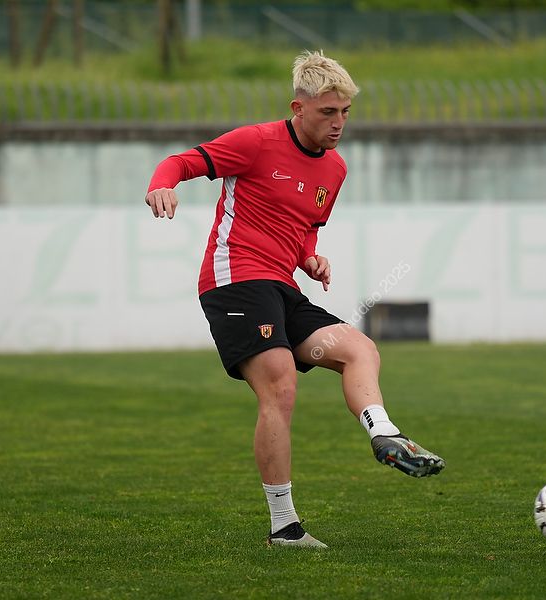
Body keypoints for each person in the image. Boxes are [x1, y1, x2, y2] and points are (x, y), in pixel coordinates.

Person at [144, 50, 444, 549]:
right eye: (328, 112)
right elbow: (181, 162)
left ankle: (384, 434)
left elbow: (305, 227)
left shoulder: (335, 169)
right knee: (280, 386)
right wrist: (162, 186)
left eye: (345, 112)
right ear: (298, 108)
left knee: (359, 348)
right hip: (235, 279)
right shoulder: (256, 142)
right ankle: (284, 527)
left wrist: (310, 257)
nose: (338, 123)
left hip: (282, 286)